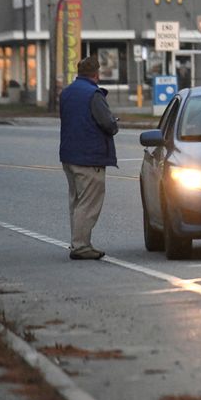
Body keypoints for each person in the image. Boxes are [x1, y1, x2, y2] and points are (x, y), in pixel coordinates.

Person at [58, 54, 118, 260]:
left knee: (76, 201)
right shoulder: (94, 94)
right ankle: (81, 246)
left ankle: (78, 242)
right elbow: (108, 124)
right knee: (88, 203)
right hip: (90, 158)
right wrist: (114, 122)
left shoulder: (66, 93)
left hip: (69, 155)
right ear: (96, 74)